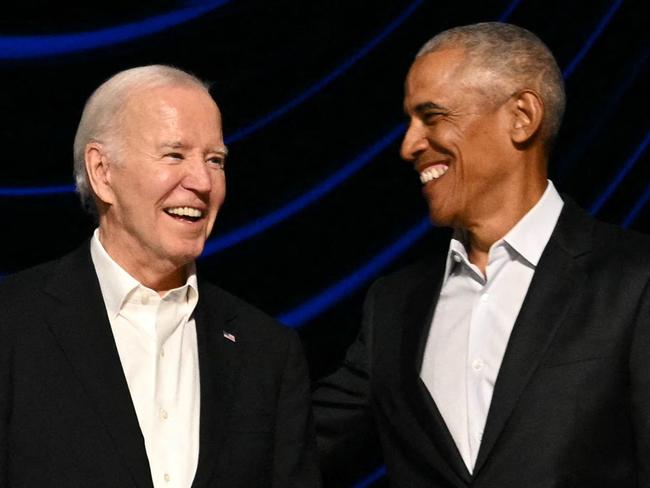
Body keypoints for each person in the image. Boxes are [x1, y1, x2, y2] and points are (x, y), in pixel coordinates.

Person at [314, 22, 650, 487]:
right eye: (410, 122)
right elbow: (293, 452)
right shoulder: (392, 307)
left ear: (522, 116)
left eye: (432, 117)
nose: (408, 145)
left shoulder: (635, 278)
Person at [0, 65, 320, 488]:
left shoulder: (268, 353)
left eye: (215, 160)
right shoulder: (13, 324)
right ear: (103, 171)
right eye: (174, 155)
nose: (203, 181)